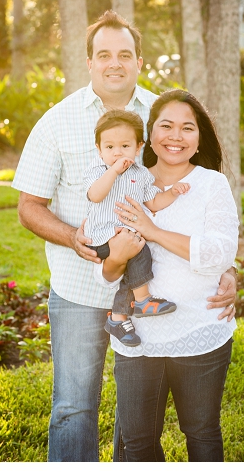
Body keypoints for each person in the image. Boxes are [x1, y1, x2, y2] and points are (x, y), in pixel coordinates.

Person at [11, 10, 237, 462]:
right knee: (74, 406)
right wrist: (75, 238)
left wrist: (223, 266)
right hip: (79, 286)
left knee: (134, 418)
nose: (114, 63)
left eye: (125, 54)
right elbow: (28, 207)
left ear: (139, 61)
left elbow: (200, 194)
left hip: (147, 290)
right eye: (104, 54)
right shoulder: (57, 121)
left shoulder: (161, 117)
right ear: (89, 62)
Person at [103, 89, 239, 461]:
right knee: (138, 442)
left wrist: (154, 230)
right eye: (166, 125)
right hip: (137, 336)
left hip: (200, 330)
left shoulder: (212, 184)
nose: (176, 136)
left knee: (202, 432)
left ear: (199, 139)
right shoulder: (127, 182)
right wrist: (115, 259)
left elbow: (220, 253)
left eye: (187, 128)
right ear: (150, 134)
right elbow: (109, 274)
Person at [85, 109, 188, 347]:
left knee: (136, 259)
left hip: (127, 237)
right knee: (140, 253)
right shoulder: (98, 170)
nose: (117, 153)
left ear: (138, 147)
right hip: (103, 237)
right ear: (99, 149)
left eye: (124, 146)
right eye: (109, 147)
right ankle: (142, 301)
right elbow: (95, 195)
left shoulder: (141, 175)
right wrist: (113, 170)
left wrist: (171, 193)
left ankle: (118, 318)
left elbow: (153, 202)